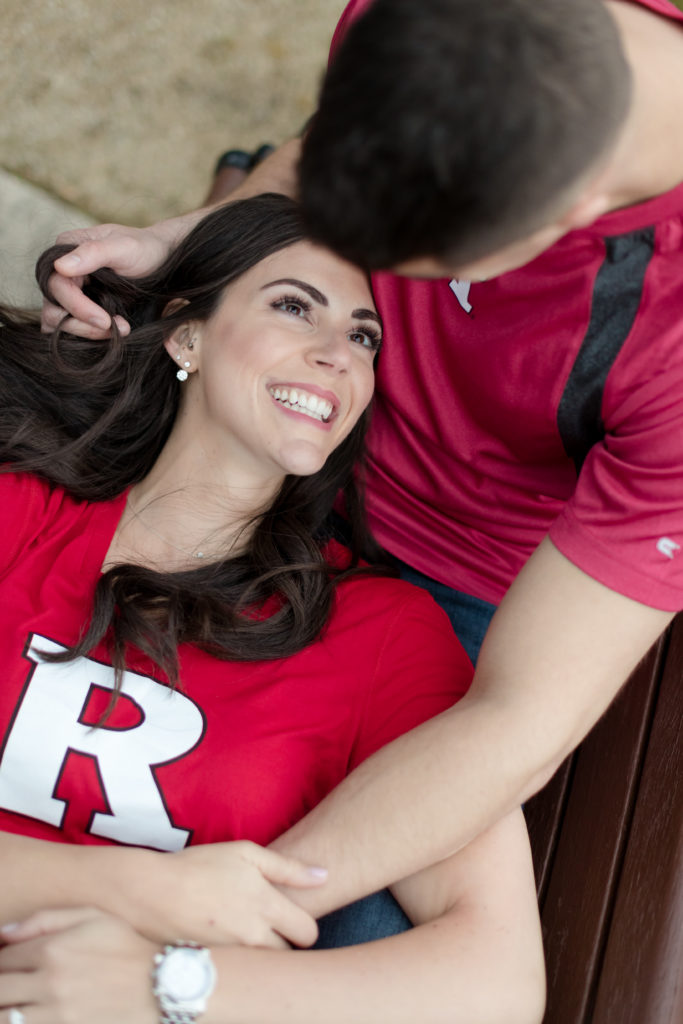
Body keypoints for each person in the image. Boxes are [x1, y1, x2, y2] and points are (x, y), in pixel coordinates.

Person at [37, 0, 683, 949]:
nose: (361, 257)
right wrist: (206, 241)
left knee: (360, 938)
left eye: (400, 254)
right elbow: (313, 164)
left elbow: (519, 718)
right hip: (260, 419)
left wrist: (209, 938)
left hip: (459, 569)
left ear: (574, 213)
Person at [0, 193, 544, 1024]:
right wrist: (143, 893)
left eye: (364, 337)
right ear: (187, 332)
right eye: (294, 307)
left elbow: (494, 983)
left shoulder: (380, 633)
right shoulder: (19, 512)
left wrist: (173, 989)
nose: (335, 355)